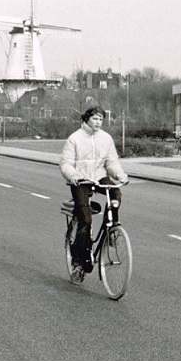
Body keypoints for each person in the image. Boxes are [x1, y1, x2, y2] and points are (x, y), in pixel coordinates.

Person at [59, 106, 128, 273]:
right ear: (87, 119)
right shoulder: (74, 138)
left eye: (100, 119)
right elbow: (65, 163)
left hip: (98, 176)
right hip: (81, 180)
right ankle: (78, 260)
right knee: (86, 220)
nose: (98, 122)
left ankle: (111, 227)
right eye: (95, 119)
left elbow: (111, 162)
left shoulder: (106, 138)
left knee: (116, 192)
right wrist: (73, 175)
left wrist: (120, 175)